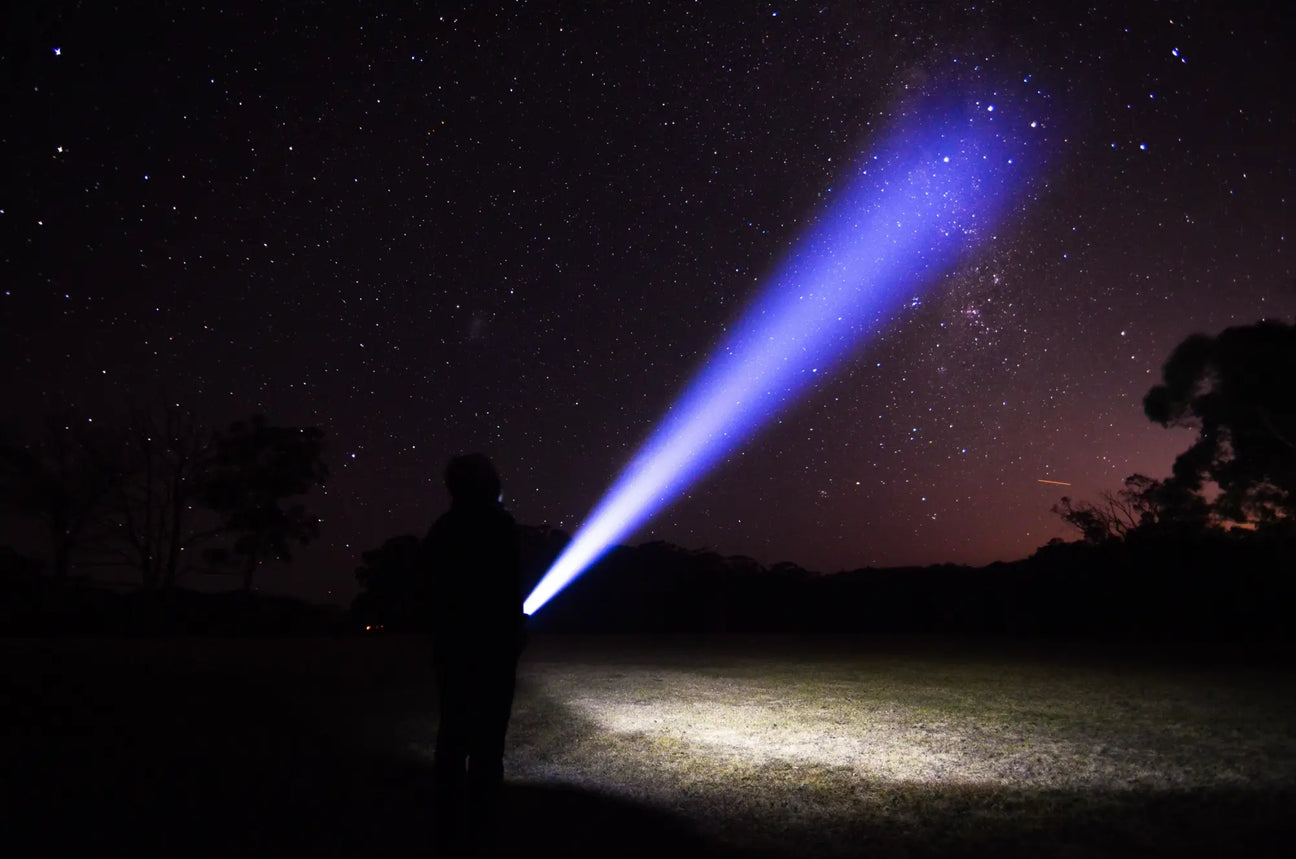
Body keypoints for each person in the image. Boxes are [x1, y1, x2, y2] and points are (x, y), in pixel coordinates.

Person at [423, 453, 525, 854]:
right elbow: (507, 588)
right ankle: (483, 828)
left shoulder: (442, 529)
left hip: (452, 648)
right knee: (488, 743)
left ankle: (447, 825)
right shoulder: (500, 527)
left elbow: (430, 592)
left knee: (452, 736)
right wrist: (515, 631)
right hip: (492, 649)